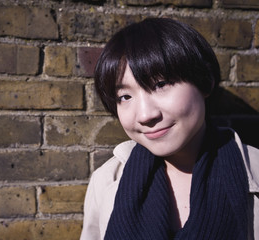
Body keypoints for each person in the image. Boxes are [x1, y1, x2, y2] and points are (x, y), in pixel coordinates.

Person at [80, 18, 259, 240]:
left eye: (161, 84)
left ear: (205, 82)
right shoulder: (106, 180)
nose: (145, 115)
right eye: (125, 97)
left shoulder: (254, 170)